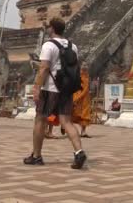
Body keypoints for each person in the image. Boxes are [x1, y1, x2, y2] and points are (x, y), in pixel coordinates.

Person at [23, 17, 87, 169]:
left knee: (40, 120)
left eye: (48, 27)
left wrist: (36, 87)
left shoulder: (49, 45)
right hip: (66, 89)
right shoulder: (73, 46)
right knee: (66, 122)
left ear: (52, 28)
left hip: (50, 89)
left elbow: (44, 68)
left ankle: (36, 156)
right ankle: (79, 151)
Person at [72, 66, 92, 138]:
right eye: (81, 70)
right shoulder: (77, 77)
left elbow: (85, 89)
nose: (82, 71)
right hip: (78, 98)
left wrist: (77, 97)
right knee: (74, 114)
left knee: (84, 116)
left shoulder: (86, 78)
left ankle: (83, 131)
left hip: (84, 100)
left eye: (84, 70)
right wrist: (76, 97)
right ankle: (68, 129)